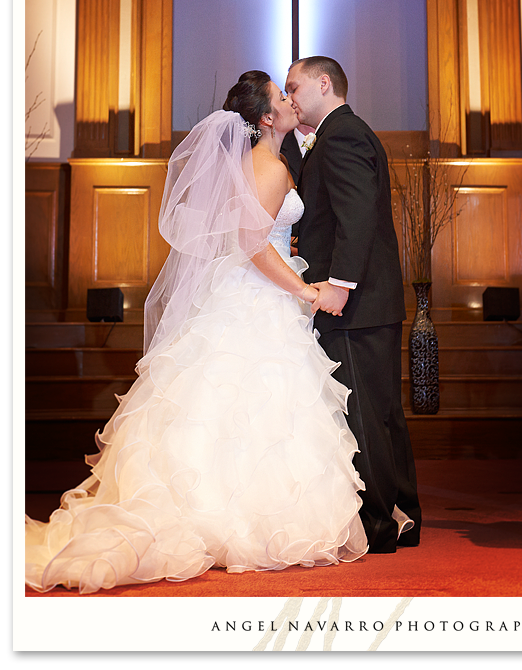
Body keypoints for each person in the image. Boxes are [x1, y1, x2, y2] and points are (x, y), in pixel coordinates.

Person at [25, 71, 385, 595]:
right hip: (259, 300)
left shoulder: (263, 162)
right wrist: (305, 291)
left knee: (237, 409)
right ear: (267, 118)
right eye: (281, 96)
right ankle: (237, 524)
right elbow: (254, 244)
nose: (289, 101)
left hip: (249, 295)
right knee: (255, 407)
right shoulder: (268, 165)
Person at [285, 56, 422, 554]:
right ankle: (403, 514)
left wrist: (338, 286)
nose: (290, 96)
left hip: (354, 302)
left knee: (363, 413)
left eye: (294, 86)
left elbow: (357, 215)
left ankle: (381, 524)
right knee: (381, 412)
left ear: (325, 84)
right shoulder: (340, 133)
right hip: (371, 303)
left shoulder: (341, 134)